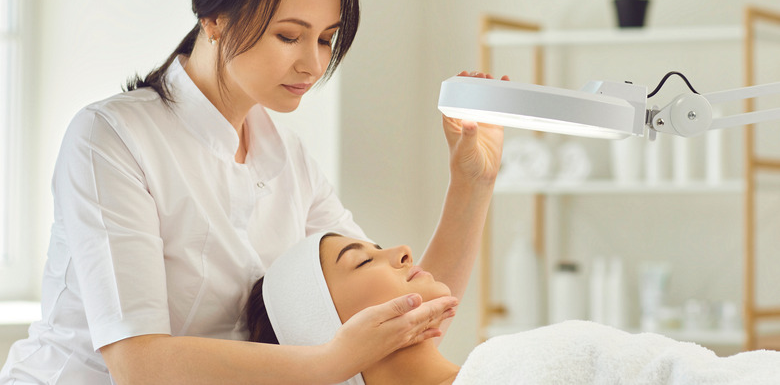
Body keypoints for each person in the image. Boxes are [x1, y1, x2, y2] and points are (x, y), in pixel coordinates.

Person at [0, 0, 506, 384]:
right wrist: (330, 362)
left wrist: (471, 183)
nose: (312, 64)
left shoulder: (288, 159)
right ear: (215, 18)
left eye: (326, 38)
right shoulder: (112, 138)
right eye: (289, 36)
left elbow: (404, 308)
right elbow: (137, 364)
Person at [249, 232, 780, 385]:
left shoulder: (512, 364)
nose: (402, 251)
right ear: (329, 329)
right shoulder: (517, 365)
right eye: (361, 261)